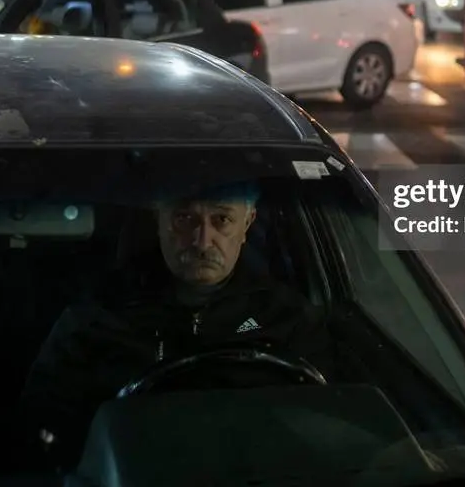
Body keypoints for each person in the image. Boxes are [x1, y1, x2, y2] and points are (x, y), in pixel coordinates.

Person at [20, 181, 334, 470]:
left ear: (248, 223)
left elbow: (327, 428)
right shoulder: (97, 317)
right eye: (184, 218)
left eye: (222, 220)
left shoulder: (288, 318)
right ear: (158, 218)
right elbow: (43, 432)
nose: (202, 242)